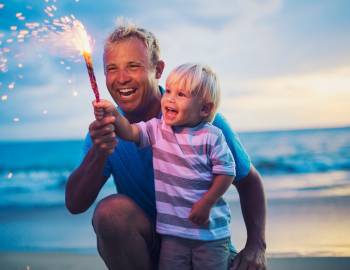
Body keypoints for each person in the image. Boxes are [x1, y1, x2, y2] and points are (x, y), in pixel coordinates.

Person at [65, 23, 267, 270]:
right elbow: (75, 204)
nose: (121, 79)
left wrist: (257, 245)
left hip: (203, 244)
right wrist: (99, 151)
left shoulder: (202, 122)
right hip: (148, 244)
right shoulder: (107, 129)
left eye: (133, 66)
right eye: (111, 69)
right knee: (111, 213)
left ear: (157, 69)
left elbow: (249, 181)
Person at [93, 63, 236, 270]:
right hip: (172, 234)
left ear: (204, 108)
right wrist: (114, 114)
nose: (169, 98)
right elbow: (130, 132)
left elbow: (226, 172)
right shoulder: (158, 129)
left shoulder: (211, 136)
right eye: (168, 91)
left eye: (181, 94)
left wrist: (207, 202)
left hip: (209, 235)